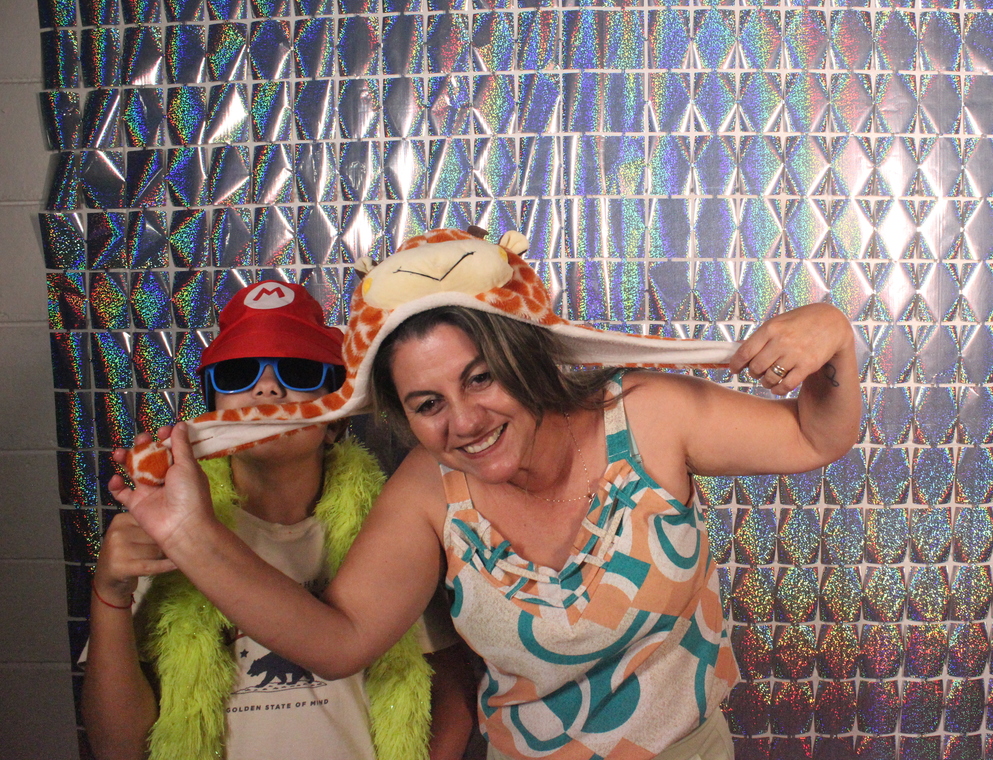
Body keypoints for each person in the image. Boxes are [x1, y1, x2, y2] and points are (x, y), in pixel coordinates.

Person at [110, 230, 861, 760]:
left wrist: (834, 333)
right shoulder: (427, 491)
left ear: (524, 356)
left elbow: (814, 436)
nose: (464, 422)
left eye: (480, 378)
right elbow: (339, 641)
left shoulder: (648, 416)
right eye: (427, 404)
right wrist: (190, 535)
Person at [84, 280, 477, 760]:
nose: (267, 388)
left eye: (299, 371)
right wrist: (110, 592)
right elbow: (117, 748)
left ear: (335, 420)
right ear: (212, 414)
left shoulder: (393, 528)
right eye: (238, 372)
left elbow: (452, 691)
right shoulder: (160, 528)